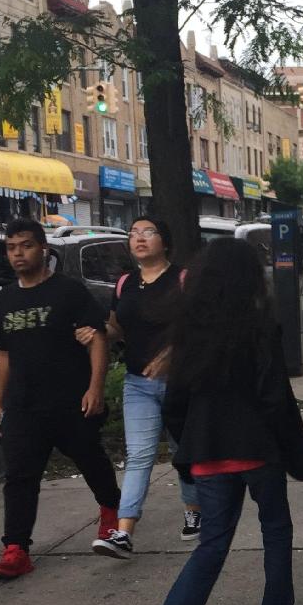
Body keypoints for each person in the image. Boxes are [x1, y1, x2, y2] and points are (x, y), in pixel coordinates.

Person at [149, 238, 303, 605]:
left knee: (212, 544)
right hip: (256, 448)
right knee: (276, 529)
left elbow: (176, 401)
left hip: (208, 451)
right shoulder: (259, 325)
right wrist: (294, 452)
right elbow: (273, 397)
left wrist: (185, 446)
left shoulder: (189, 329)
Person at [0, 218, 121, 580]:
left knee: (91, 459)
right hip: (23, 406)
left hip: (69, 401)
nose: (18, 253)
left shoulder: (69, 291)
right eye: (12, 247)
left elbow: (96, 339)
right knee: (19, 477)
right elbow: (3, 355)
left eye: (26, 245)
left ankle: (111, 512)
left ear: (43, 248)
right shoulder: (6, 298)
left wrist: (95, 388)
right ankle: (16, 548)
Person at [89, 217, 201, 559]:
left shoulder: (182, 279)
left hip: (180, 383)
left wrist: (170, 355)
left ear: (164, 241)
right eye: (133, 233)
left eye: (148, 232)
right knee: (138, 457)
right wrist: (97, 334)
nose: (139, 238)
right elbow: (116, 328)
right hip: (138, 384)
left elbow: (197, 328)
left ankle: (194, 512)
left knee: (184, 453)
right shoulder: (124, 284)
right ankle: (123, 533)